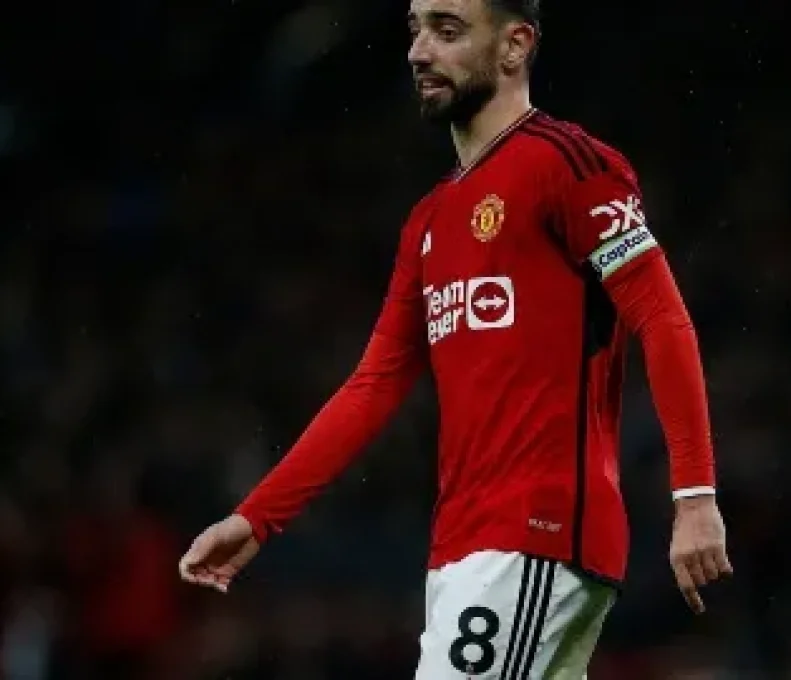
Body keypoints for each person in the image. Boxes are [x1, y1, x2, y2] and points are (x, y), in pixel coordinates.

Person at [178, 0, 733, 676]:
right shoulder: (429, 220)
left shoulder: (568, 164)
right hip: (462, 548)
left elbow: (662, 318)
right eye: (415, 30)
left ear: (514, 46)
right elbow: (373, 385)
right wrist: (256, 518)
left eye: (447, 31)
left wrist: (695, 496)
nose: (419, 52)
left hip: (537, 532)